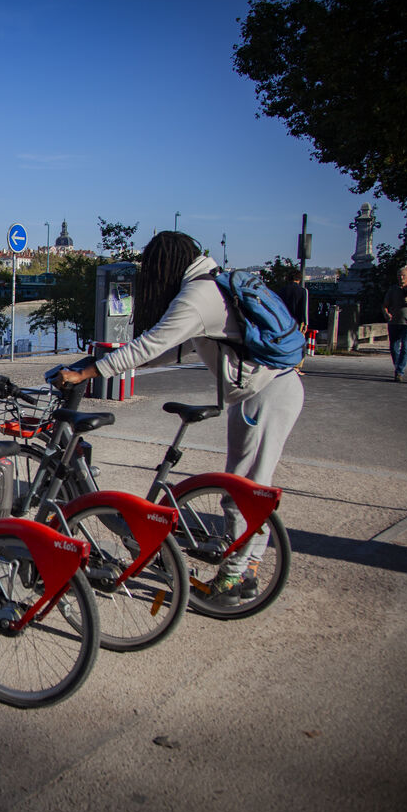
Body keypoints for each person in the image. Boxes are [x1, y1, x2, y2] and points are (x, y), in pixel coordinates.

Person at [56, 231, 304, 606]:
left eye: (154, 269)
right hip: (264, 391)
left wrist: (88, 373)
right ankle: (246, 569)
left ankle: (235, 578)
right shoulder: (210, 285)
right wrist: (101, 365)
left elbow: (150, 344)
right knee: (244, 486)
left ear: (166, 265)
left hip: (266, 394)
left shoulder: (197, 297)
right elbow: (171, 351)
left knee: (244, 491)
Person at [276, 269, 310, 372]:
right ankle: (296, 366)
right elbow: (304, 308)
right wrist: (305, 323)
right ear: (299, 279)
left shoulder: (282, 290)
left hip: (283, 321)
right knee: (299, 344)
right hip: (297, 322)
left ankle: (284, 364)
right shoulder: (303, 291)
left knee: (285, 342)